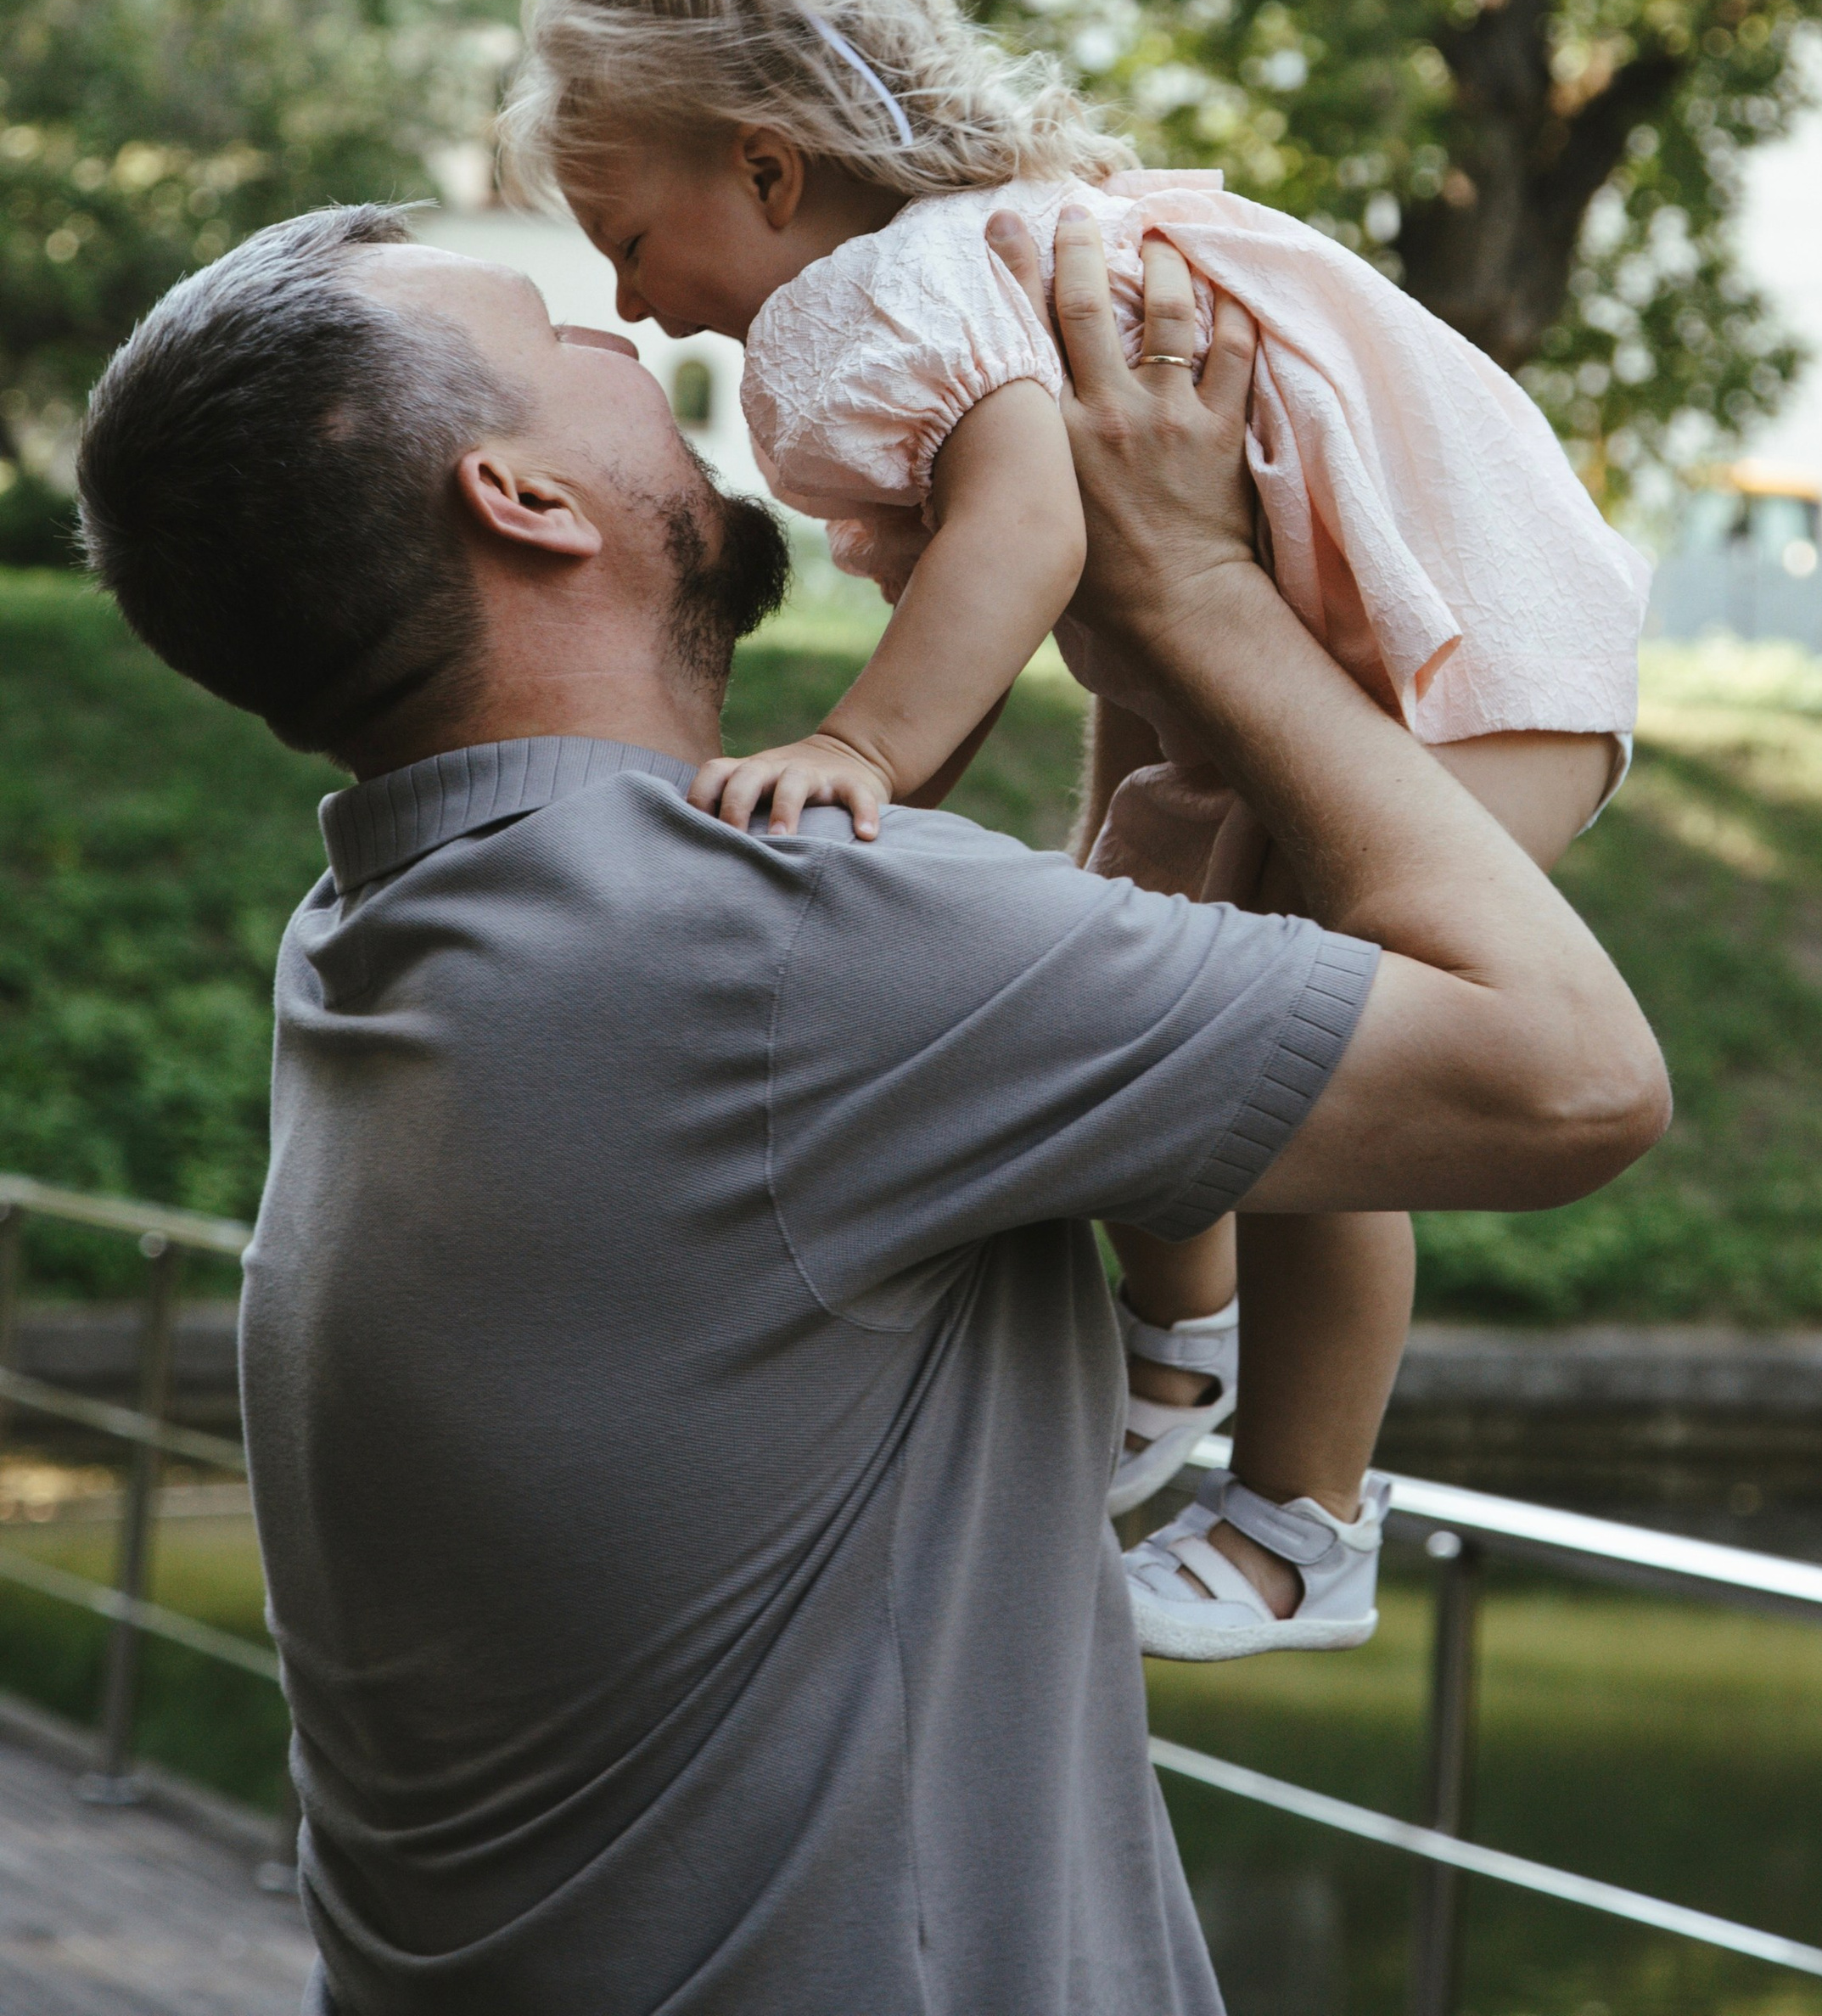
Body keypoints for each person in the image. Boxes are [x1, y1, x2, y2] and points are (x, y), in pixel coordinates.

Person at [74, 197, 1668, 2016]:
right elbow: (1572, 1079)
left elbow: (901, 1075)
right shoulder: (763, 943)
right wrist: (1192, 587)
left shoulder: (394, 929)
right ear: (523, 500)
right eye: (558, 336)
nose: (630, 331)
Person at [500, 0, 1651, 1654]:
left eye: (627, 241)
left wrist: (856, 741)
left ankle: (1299, 1523)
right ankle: (1176, 1360)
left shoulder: (884, 293)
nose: (635, 308)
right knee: (1163, 996)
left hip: (1454, 668)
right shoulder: (987, 252)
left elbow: (1028, 533)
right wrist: (886, 785)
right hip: (1424, 641)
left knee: (1320, 1084)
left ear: (767, 169)